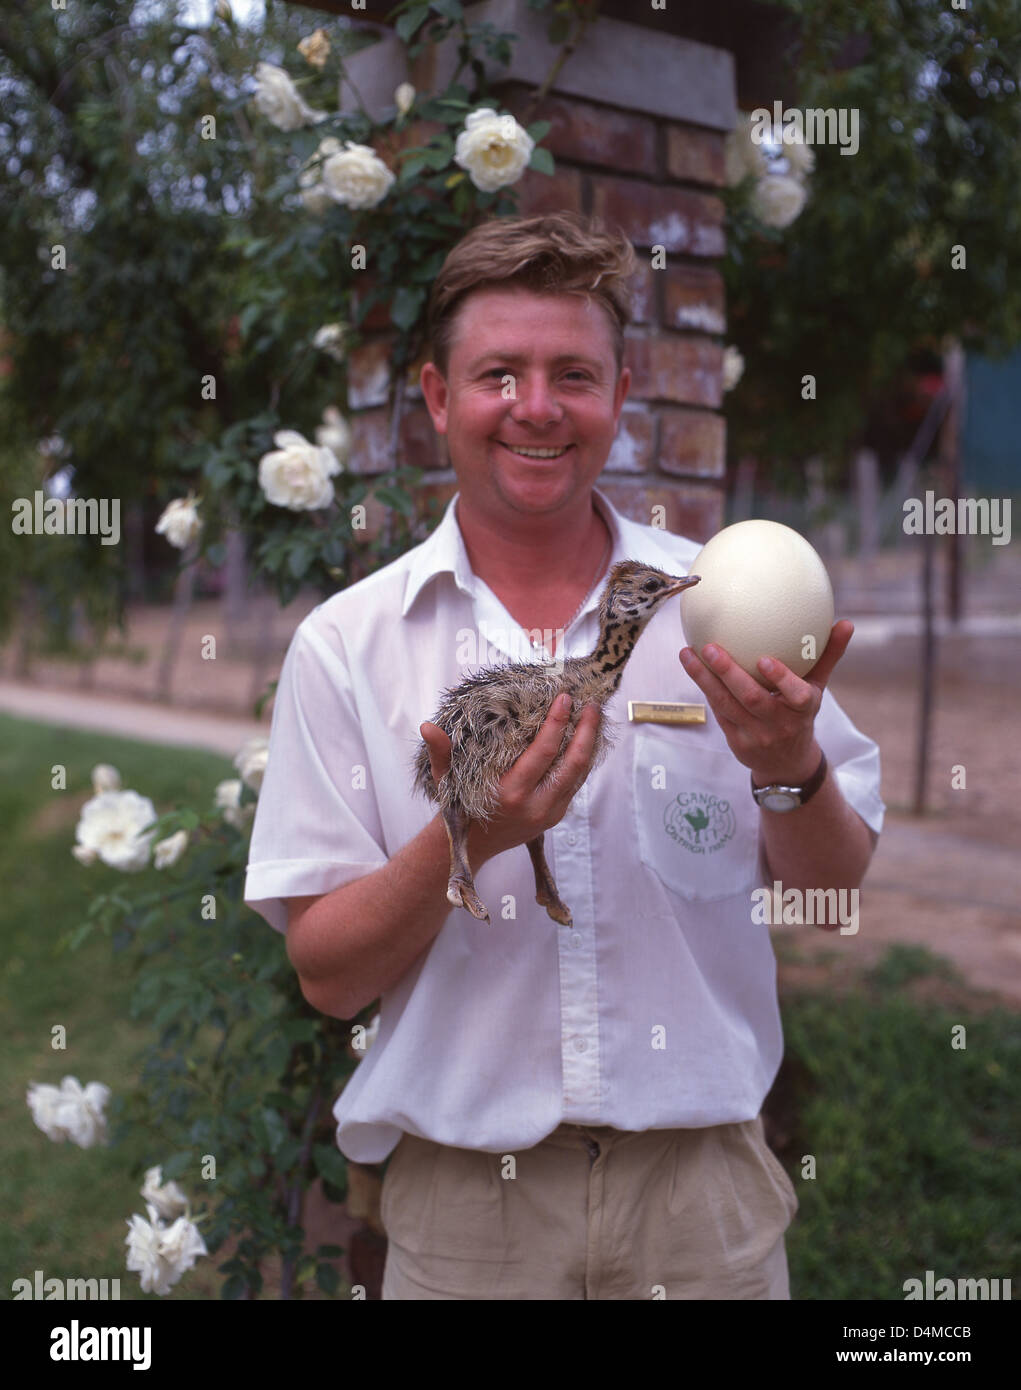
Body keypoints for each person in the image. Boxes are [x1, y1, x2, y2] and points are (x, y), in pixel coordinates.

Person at [243, 211, 884, 1300]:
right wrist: (472, 836)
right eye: (499, 373)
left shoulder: (717, 608)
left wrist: (788, 765)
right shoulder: (349, 646)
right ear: (440, 398)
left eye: (572, 375)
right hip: (466, 1221)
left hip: (703, 1208)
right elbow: (329, 973)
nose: (536, 408)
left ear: (620, 395)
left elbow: (827, 890)